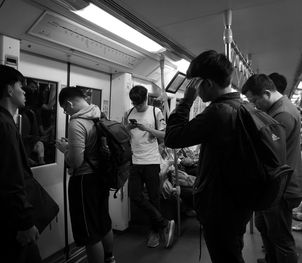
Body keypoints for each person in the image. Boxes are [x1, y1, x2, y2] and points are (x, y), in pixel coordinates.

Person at [165, 50, 253, 262]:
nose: (194, 91)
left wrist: (186, 101)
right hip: (239, 200)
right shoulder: (242, 106)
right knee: (232, 252)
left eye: (194, 85)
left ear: (208, 83)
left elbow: (173, 138)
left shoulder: (218, 112)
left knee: (226, 257)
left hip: (220, 206)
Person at [0, 64, 41, 263]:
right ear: (9, 89)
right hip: (10, 224)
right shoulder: (2, 125)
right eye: (20, 85)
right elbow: (9, 181)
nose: (24, 90)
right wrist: (25, 223)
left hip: (4, 219)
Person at [242, 74, 302, 263]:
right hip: (277, 184)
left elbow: (272, 155)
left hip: (281, 188)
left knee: (281, 237)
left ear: (266, 93)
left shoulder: (281, 115)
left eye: (255, 100)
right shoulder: (278, 110)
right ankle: (271, 259)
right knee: (263, 224)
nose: (255, 105)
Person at [55, 87, 115, 263]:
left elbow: (76, 162)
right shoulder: (99, 114)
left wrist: (64, 149)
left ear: (69, 103)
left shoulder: (77, 123)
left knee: (89, 231)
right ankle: (110, 259)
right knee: (104, 222)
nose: (66, 113)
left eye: (65, 109)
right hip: (101, 177)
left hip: (83, 181)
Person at [124, 85, 175, 248]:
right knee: (135, 195)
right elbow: (123, 134)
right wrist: (128, 128)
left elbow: (164, 135)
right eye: (134, 103)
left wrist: (146, 128)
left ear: (146, 98)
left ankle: (154, 232)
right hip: (135, 161)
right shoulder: (128, 113)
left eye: (139, 103)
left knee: (154, 198)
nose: (137, 106)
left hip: (151, 162)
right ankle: (163, 223)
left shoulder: (155, 112)